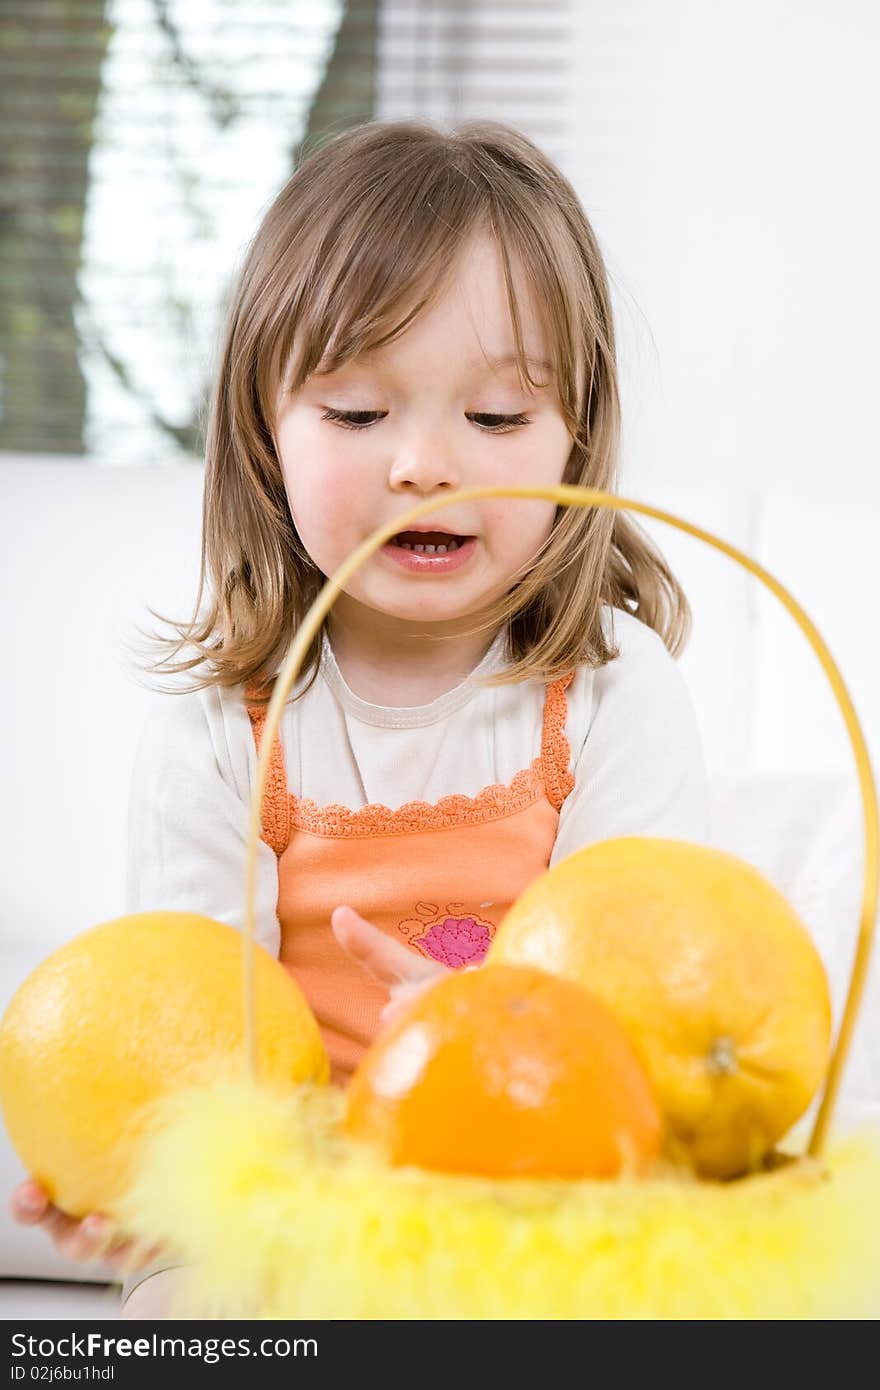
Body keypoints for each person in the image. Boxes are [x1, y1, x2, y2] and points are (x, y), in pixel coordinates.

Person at [9, 118, 708, 1316]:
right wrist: (151, 1162)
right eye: (354, 413)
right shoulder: (226, 722)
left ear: (573, 443)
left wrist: (488, 1041)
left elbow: (651, 1020)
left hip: (533, 1176)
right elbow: (180, 1022)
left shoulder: (608, 688)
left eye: (495, 420)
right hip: (294, 1191)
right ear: (263, 436)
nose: (426, 465)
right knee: (191, 1306)